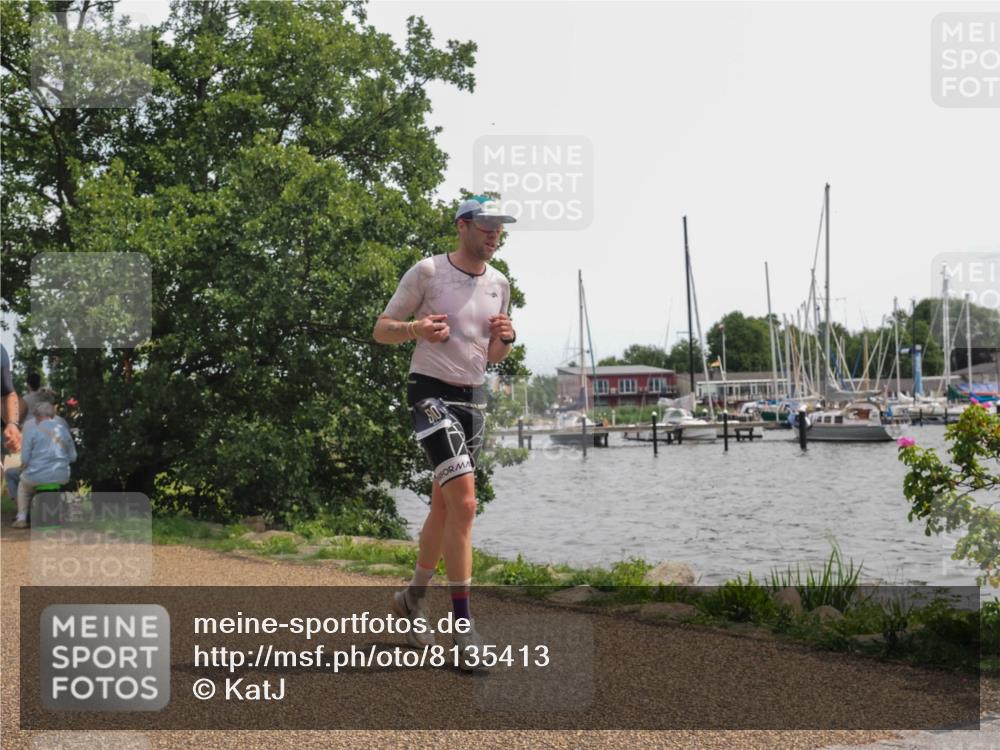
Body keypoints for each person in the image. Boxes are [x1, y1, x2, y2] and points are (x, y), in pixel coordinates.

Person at [373, 195, 517, 670]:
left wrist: (506, 339)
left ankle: (413, 597)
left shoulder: (500, 283)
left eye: (500, 229)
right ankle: (464, 631)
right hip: (429, 393)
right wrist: (416, 328)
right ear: (462, 226)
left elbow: (491, 357)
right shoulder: (428, 272)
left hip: (473, 400)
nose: (494, 235)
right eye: (487, 226)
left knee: (445, 505)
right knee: (466, 504)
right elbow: (382, 329)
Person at [12, 401, 77, 529]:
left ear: (37, 417)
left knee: (23, 485)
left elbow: (24, 459)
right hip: (61, 475)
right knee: (41, 481)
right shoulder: (63, 430)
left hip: (37, 476)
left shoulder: (31, 431)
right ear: (53, 415)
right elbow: (73, 457)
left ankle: (21, 518)